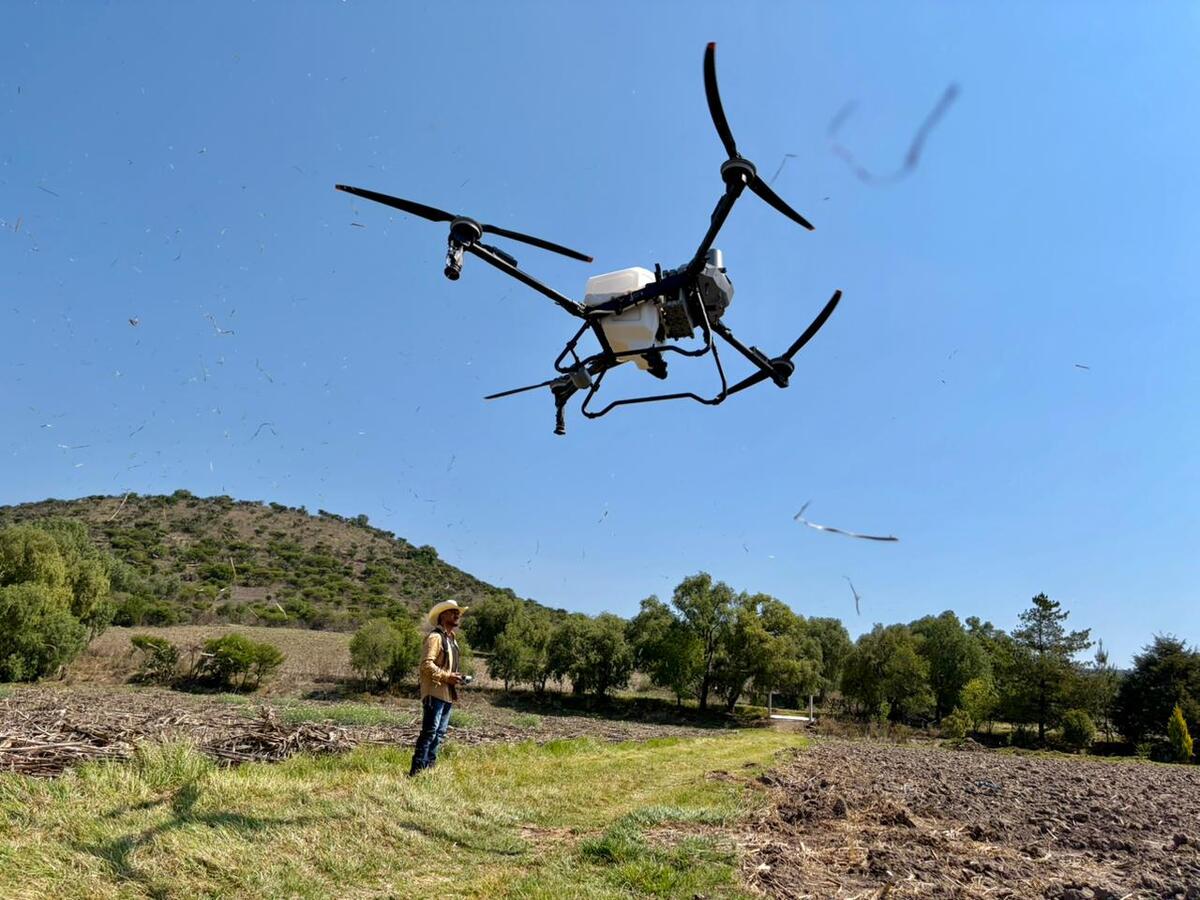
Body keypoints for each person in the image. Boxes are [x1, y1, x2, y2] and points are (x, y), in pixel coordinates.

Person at [409, 599, 469, 776]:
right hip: (434, 692)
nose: (457, 615)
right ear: (443, 616)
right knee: (430, 733)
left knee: (439, 734)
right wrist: (446, 676)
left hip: (446, 694)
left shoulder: (452, 640)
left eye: (458, 612)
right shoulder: (435, 637)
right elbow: (426, 665)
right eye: (453, 612)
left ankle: (429, 770)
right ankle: (417, 771)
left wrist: (455, 677)